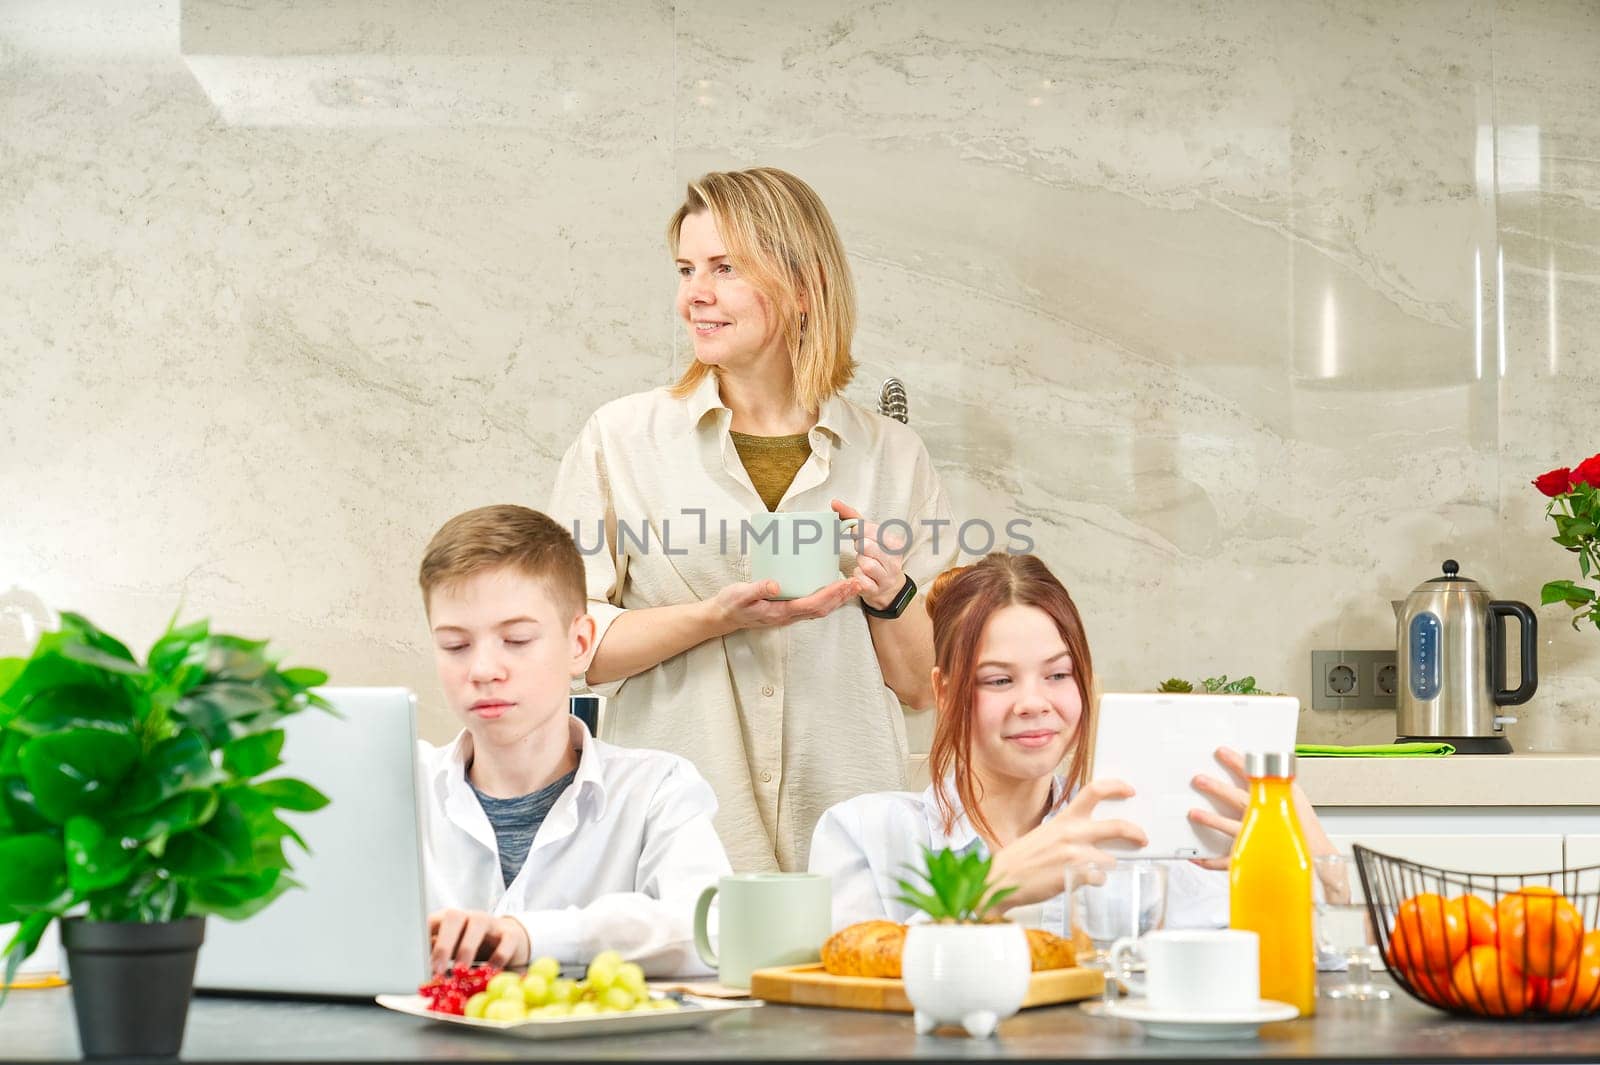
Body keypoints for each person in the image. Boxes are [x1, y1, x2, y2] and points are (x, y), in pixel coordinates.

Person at [549, 168, 960, 873]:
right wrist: (716, 617)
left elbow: (928, 687)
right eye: (685, 269)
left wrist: (889, 593)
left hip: (848, 846)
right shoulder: (619, 440)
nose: (694, 295)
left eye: (725, 268)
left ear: (803, 287)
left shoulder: (892, 457)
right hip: (678, 843)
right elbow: (563, 649)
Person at [808, 553, 1336, 933]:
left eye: (1058, 676)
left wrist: (1310, 855)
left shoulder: (1140, 838)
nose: (1034, 703)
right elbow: (849, 1011)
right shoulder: (865, 834)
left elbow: (1295, 972)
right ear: (944, 690)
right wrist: (989, 893)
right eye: (998, 680)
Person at [415, 504, 731, 976]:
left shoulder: (655, 789)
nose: (482, 670)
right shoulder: (400, 785)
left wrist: (532, 936)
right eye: (455, 646)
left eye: (517, 639)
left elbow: (715, 930)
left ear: (580, 644)